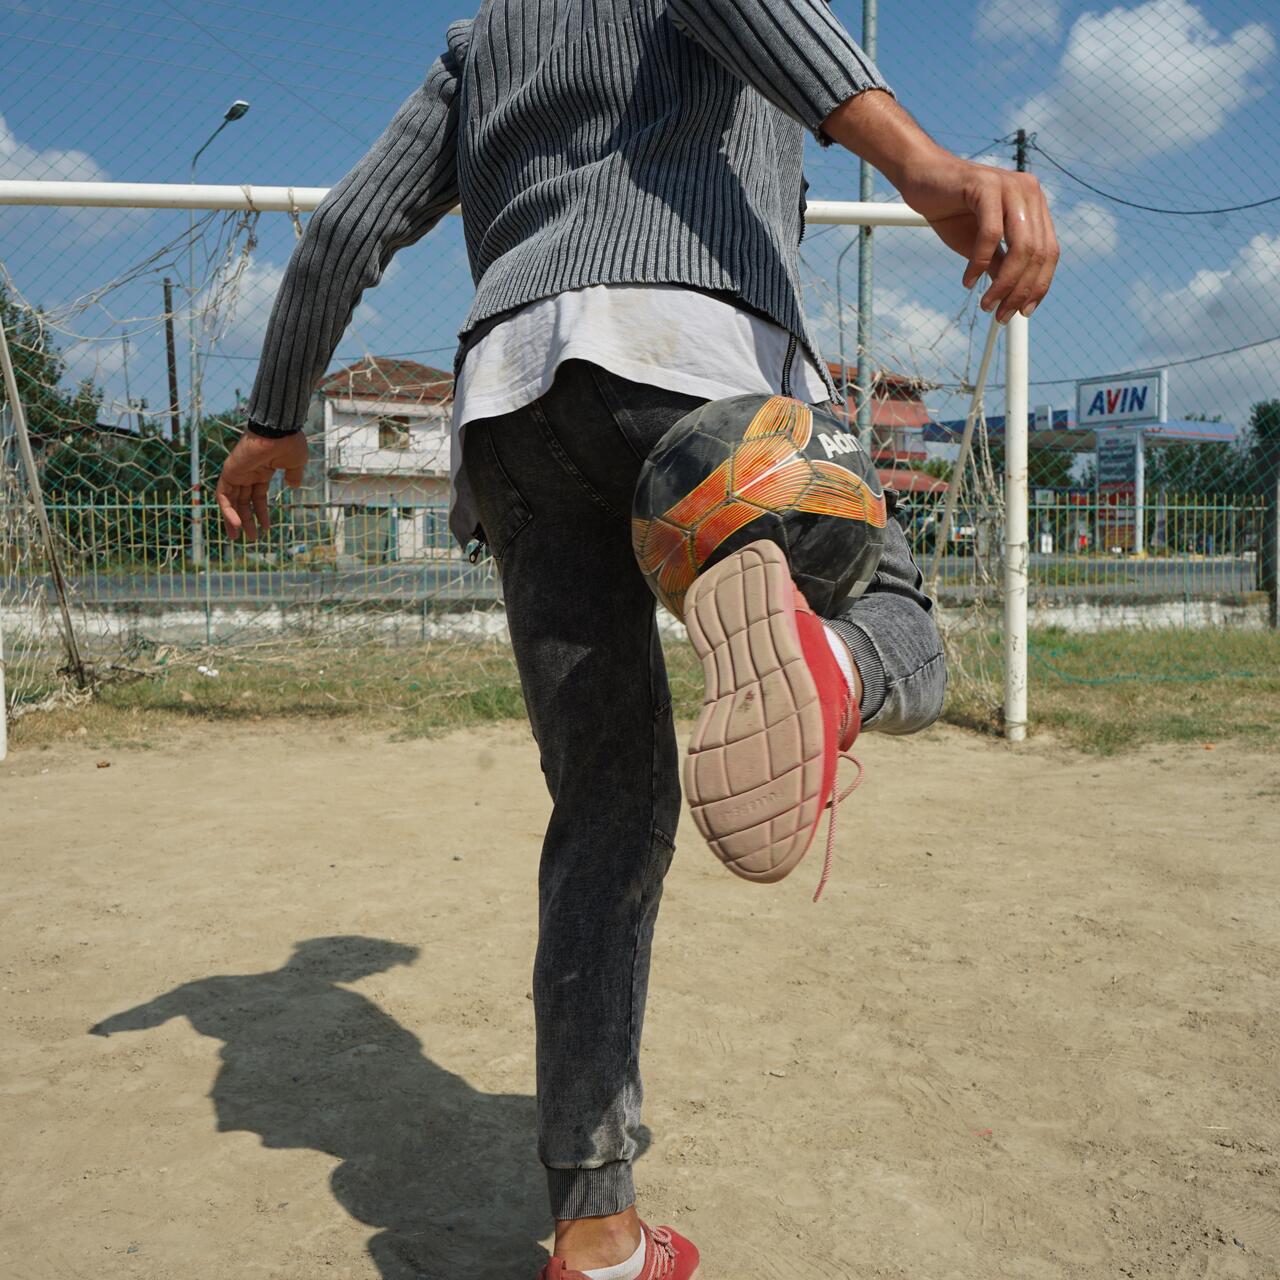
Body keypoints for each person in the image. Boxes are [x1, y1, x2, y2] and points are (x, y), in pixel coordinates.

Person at [216, 2, 1058, 1276]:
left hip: (511, 407)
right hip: (699, 370)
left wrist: (276, 417)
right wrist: (926, 167)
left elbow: (343, 230)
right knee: (903, 627)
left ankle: (598, 1233)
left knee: (604, 811)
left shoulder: (479, 40)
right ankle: (827, 667)